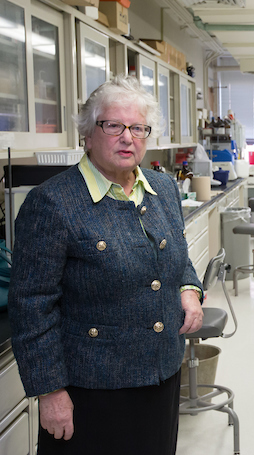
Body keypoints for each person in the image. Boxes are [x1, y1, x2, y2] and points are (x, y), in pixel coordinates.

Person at [8, 75, 204, 455]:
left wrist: (189, 290)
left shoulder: (161, 189)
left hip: (161, 375)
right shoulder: (52, 203)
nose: (127, 137)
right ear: (88, 132)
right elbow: (31, 306)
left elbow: (178, 259)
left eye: (138, 128)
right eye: (114, 125)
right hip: (92, 391)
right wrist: (49, 391)